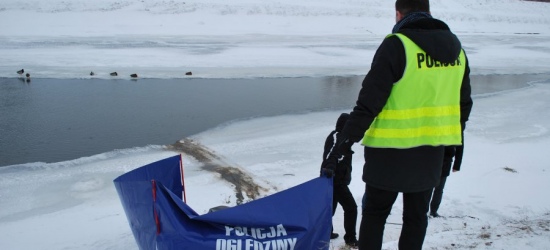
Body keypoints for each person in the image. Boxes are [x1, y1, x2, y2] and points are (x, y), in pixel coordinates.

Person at [320, 0, 474, 249]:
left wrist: (341, 147)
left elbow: (368, 105)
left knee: (375, 215)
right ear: (429, 11)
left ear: (398, 13)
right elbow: (463, 105)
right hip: (430, 154)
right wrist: (454, 145)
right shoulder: (457, 51)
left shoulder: (397, 45)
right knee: (416, 218)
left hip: (388, 155)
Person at [321, 113, 359, 248]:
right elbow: (331, 155)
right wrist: (330, 168)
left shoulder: (340, 137)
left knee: (329, 209)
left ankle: (326, 233)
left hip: (331, 179)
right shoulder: (338, 137)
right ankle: (350, 239)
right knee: (351, 208)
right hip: (335, 180)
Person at [430, 144, 464, 217]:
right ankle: (424, 210)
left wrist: (457, 165)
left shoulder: (456, 132)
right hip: (431, 159)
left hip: (445, 161)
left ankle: (433, 211)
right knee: (427, 187)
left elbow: (460, 145)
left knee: (439, 188)